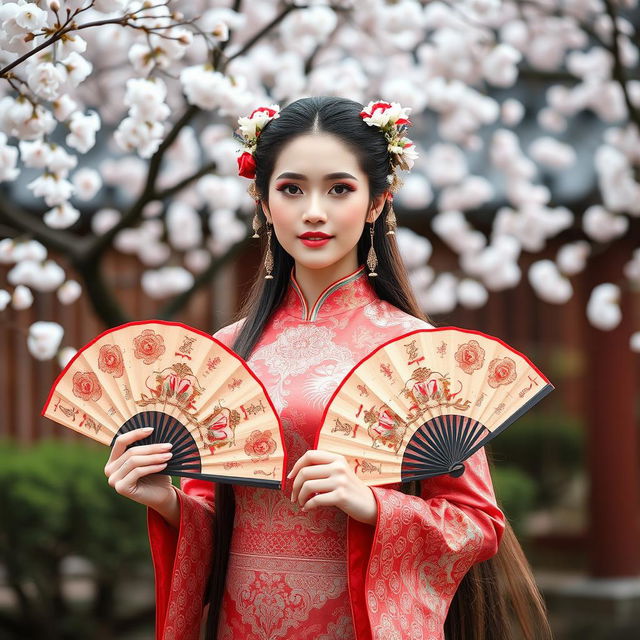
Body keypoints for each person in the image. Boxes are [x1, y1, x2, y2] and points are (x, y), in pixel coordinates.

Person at [104, 96, 552, 640]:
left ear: (375, 203)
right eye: (291, 189)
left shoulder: (416, 353)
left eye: (339, 189)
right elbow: (214, 516)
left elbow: (476, 524)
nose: (313, 211)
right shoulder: (227, 352)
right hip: (239, 623)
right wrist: (164, 499)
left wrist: (374, 505)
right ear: (264, 203)